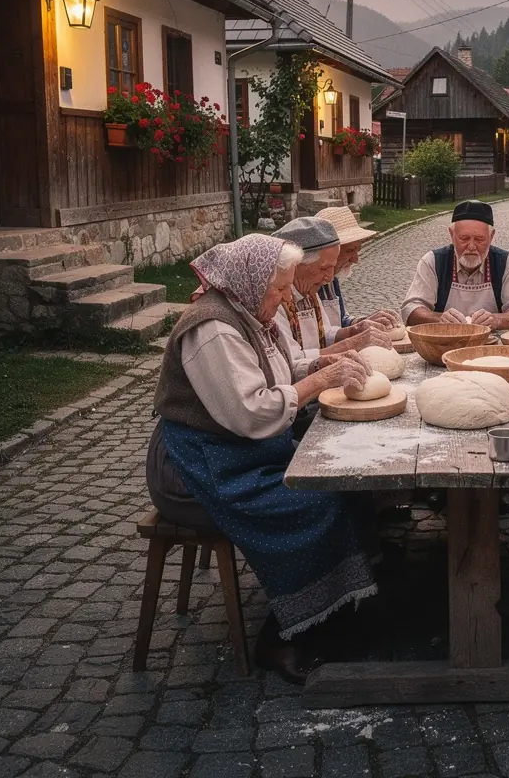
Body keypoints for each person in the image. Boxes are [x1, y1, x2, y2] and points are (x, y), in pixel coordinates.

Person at [146, 234, 377, 683]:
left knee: (342, 477)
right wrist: (321, 379)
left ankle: (335, 607)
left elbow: (281, 370)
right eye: (278, 289)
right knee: (313, 502)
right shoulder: (211, 328)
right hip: (198, 467)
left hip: (237, 452)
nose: (284, 297)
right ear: (251, 282)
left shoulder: (251, 314)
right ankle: (280, 638)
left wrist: (318, 366)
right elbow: (252, 411)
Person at [400, 200, 509, 329]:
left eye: (479, 239)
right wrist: (439, 319)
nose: (471, 246)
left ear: (491, 236)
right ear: (452, 235)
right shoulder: (432, 261)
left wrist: (497, 320)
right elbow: (411, 309)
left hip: (491, 346)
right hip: (444, 342)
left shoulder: (507, 263)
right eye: (464, 238)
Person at [273, 217, 393, 358]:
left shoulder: (308, 290)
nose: (329, 278)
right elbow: (293, 361)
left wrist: (356, 329)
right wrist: (351, 343)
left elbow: (326, 333)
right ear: (296, 265)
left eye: (332, 267)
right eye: (324, 269)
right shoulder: (275, 301)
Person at [314, 205, 400, 338]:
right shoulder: (304, 285)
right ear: (328, 251)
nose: (355, 259)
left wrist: (364, 322)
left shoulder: (331, 281)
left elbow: (341, 322)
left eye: (358, 250)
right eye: (349, 251)